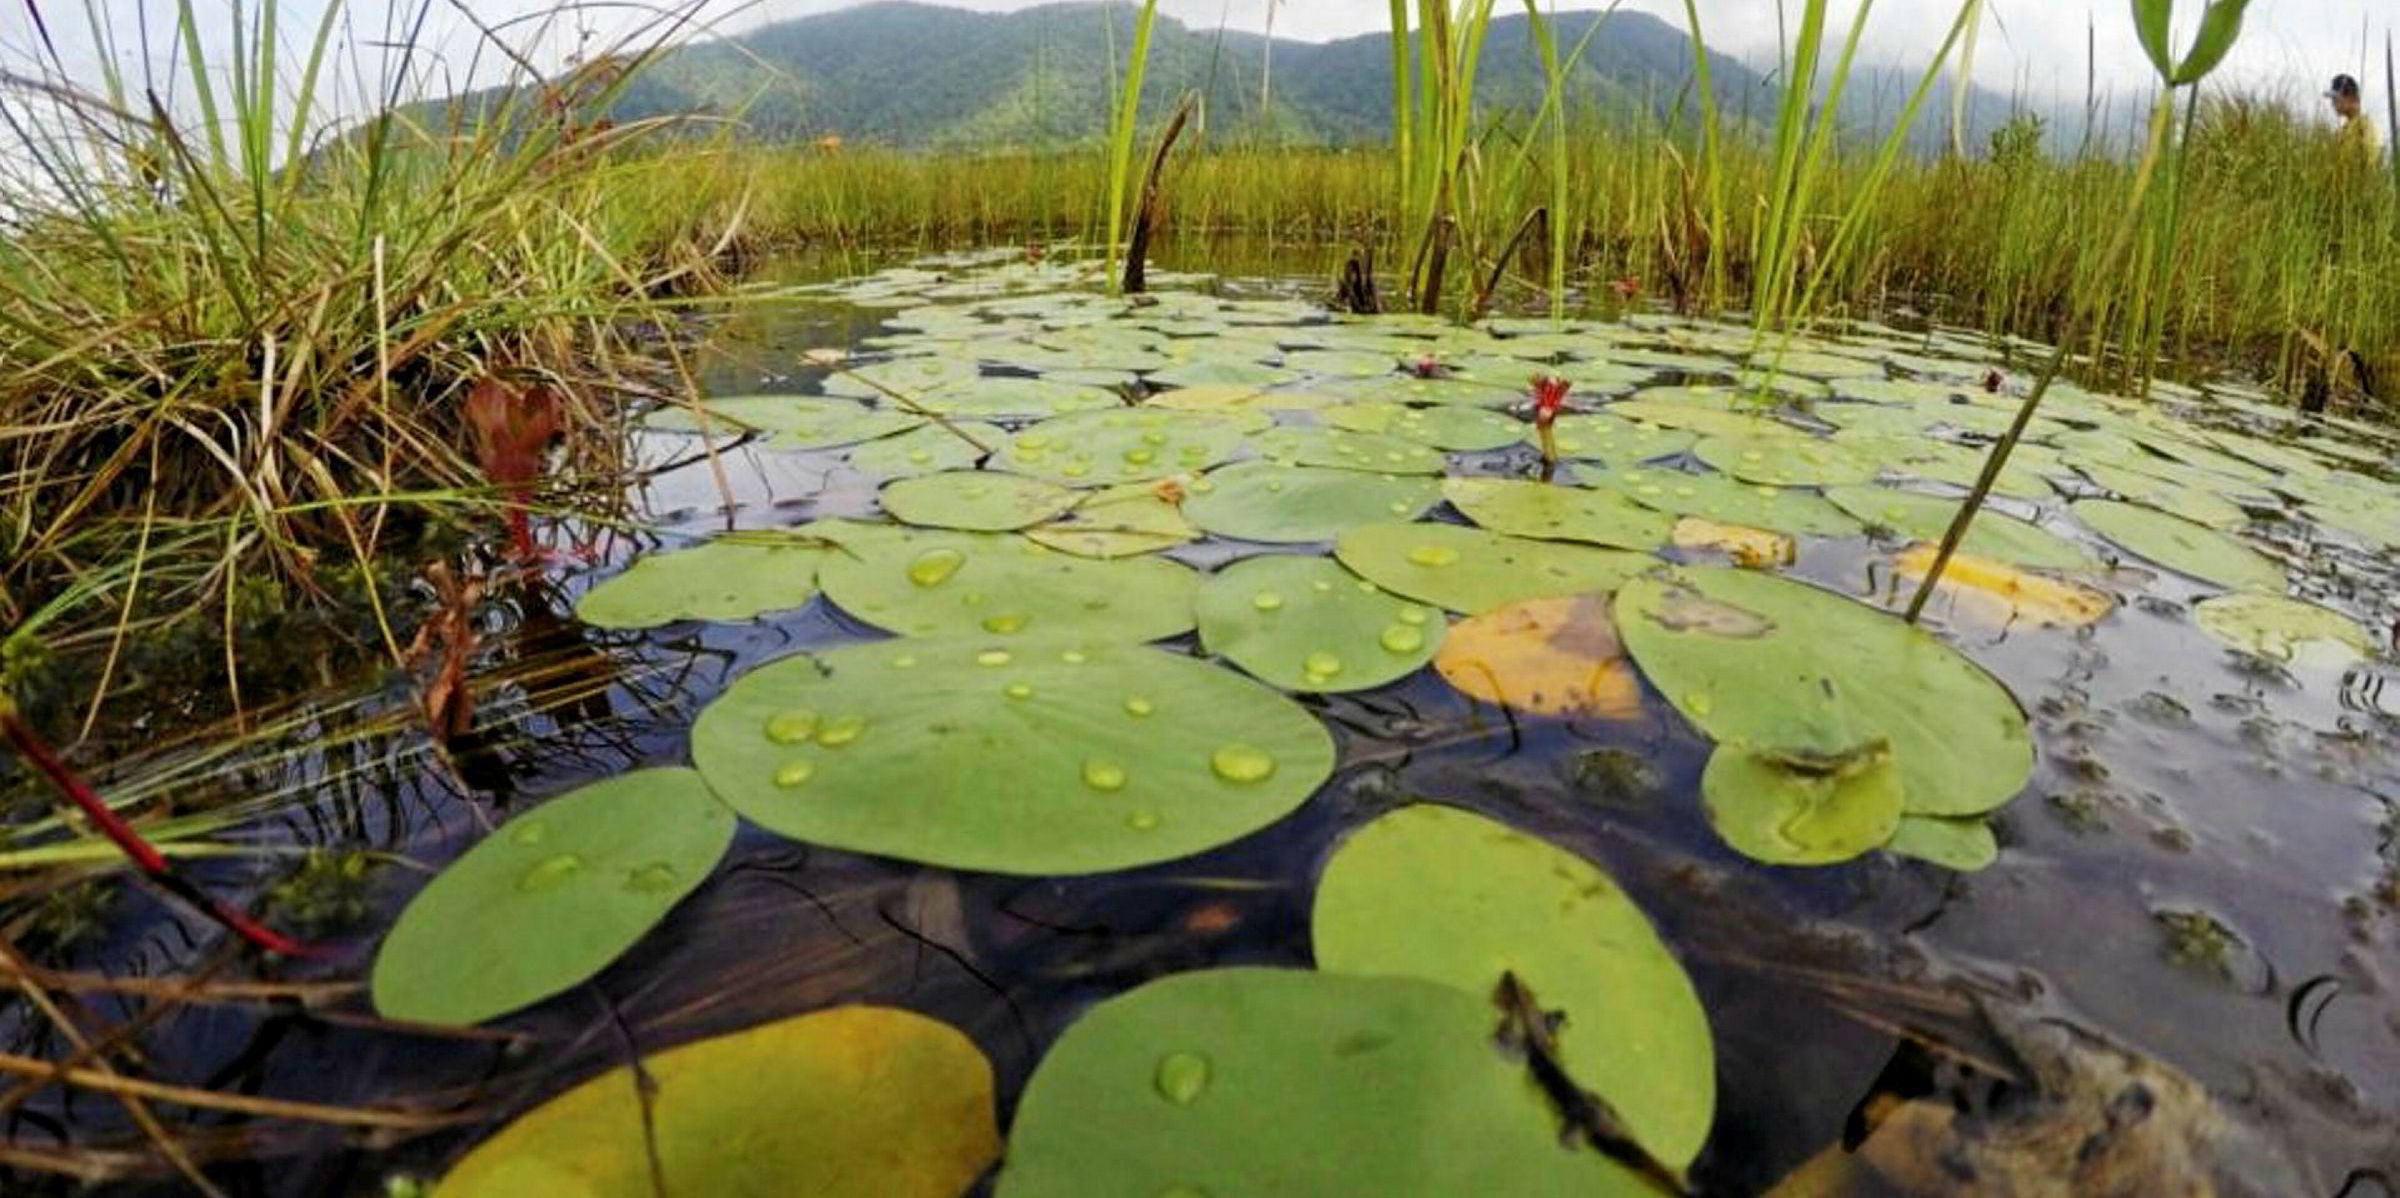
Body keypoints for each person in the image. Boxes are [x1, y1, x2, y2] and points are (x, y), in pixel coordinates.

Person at [2328, 74, 2380, 167]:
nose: (2333, 103)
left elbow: (2370, 163)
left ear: (2352, 98)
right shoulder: (2342, 131)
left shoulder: (2365, 127)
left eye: (2336, 98)